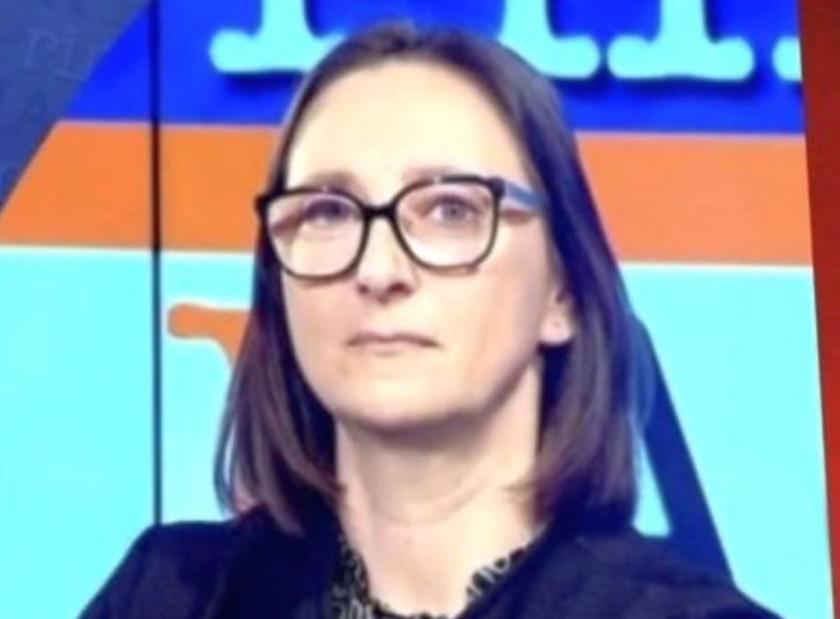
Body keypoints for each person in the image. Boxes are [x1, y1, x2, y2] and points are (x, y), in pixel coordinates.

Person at [80, 20, 780, 619]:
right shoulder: (172, 595)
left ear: (561, 292)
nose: (378, 269)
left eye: (451, 210)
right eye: (327, 211)